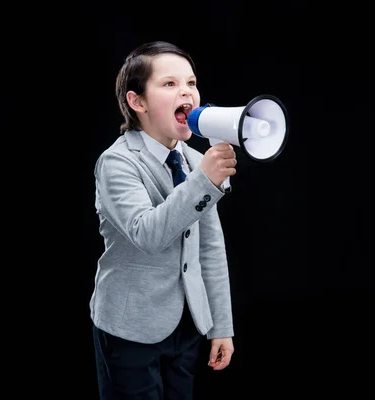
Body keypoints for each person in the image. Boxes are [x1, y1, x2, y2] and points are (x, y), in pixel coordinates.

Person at [90, 40, 237, 399]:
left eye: (191, 82)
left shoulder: (190, 158)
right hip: (131, 328)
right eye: (169, 84)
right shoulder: (117, 163)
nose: (186, 91)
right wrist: (204, 181)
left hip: (186, 325)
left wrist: (221, 324)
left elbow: (210, 246)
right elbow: (148, 234)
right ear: (136, 102)